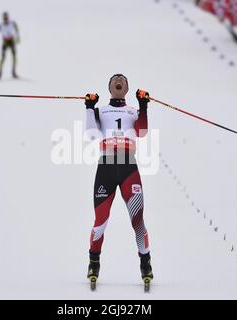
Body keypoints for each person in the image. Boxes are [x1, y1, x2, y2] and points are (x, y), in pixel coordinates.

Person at [85, 74, 154, 286]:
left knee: (138, 220)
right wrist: (89, 107)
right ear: (110, 87)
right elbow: (90, 133)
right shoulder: (101, 110)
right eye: (115, 79)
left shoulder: (133, 111)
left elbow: (141, 131)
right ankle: (94, 262)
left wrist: (143, 105)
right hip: (106, 167)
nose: (119, 81)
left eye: (122, 80)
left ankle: (146, 263)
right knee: (101, 221)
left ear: (126, 88)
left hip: (128, 167)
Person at [0, 12, 20, 81]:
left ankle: (13, 72)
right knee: (3, 58)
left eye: (6, 17)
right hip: (5, 42)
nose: (5, 19)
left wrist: (18, 37)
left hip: (12, 41)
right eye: (4, 18)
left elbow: (17, 29)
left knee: (14, 57)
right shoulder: (0, 25)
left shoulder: (12, 23)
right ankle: (0, 73)